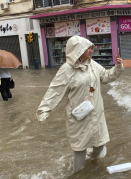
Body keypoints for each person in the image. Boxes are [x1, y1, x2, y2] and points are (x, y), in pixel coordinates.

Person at [36, 36, 124, 174]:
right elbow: (55, 90)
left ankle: (93, 163)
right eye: (87, 48)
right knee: (80, 148)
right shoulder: (67, 69)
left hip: (96, 112)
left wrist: (118, 67)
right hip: (79, 116)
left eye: (90, 48)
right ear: (77, 50)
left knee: (100, 143)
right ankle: (78, 174)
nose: (90, 51)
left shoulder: (93, 65)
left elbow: (106, 76)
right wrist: (44, 110)